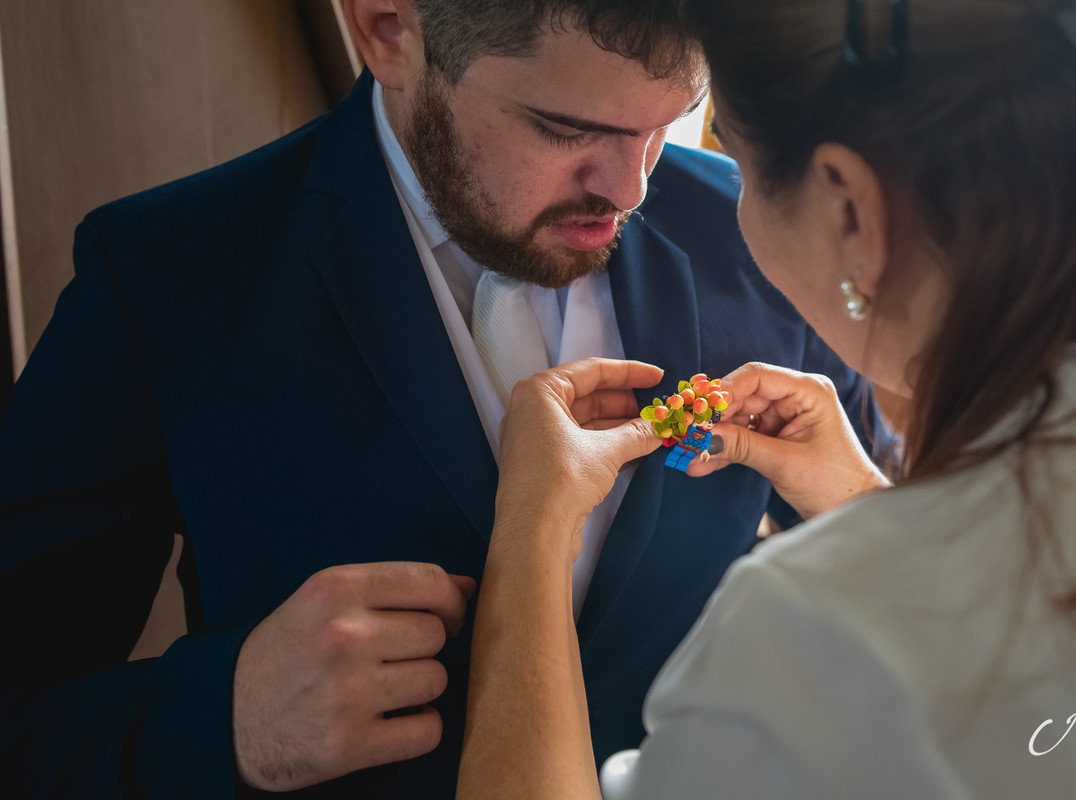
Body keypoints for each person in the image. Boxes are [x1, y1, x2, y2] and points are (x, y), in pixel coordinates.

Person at [0, 1, 880, 797]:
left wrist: (861, 510)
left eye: (669, 123)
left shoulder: (759, 233)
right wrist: (225, 719)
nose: (633, 189)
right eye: (563, 125)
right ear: (389, 30)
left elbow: (912, 589)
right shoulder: (163, 280)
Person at [456, 0, 1076, 796]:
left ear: (848, 206)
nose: (637, 191)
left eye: (723, 145)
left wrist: (532, 538)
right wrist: (868, 511)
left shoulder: (807, 628)